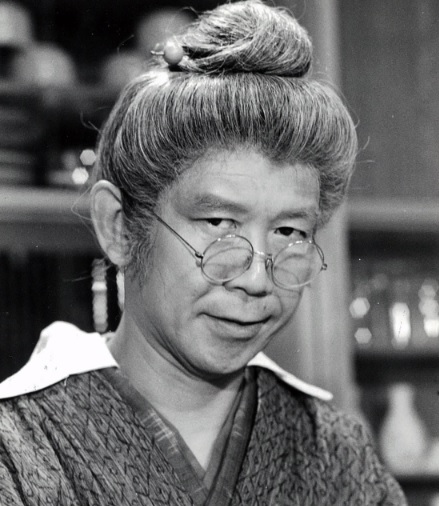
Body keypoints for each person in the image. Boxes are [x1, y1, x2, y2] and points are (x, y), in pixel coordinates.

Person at [0, 1, 407, 504]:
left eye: (288, 231)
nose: (256, 279)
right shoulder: (18, 450)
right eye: (218, 224)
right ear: (118, 226)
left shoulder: (337, 455)